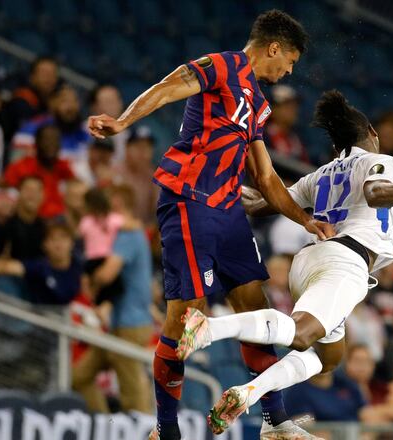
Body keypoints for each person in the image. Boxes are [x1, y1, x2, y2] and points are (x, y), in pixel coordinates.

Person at [87, 11, 330, 439]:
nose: (289, 70)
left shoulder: (258, 101)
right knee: (187, 321)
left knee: (257, 311)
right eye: (289, 60)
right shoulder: (222, 65)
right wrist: (123, 122)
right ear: (274, 47)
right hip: (189, 201)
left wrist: (306, 220)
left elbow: (268, 178)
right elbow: (167, 87)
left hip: (229, 210)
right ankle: (165, 429)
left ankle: (276, 421)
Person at [173, 89, 393, 434]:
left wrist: (219, 185)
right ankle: (208, 329)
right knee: (300, 334)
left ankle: (249, 394)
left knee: (329, 359)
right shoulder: (380, 161)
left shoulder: (320, 174)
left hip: (310, 261)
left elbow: (261, 203)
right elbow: (374, 193)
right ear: (372, 134)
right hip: (346, 261)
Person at [72, 184, 154, 414]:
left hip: (131, 324)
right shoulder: (121, 233)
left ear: (119, 203)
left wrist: (90, 280)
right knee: (79, 377)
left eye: (111, 201)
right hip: (119, 324)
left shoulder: (127, 236)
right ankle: (106, 427)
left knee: (131, 392)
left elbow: (107, 274)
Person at [0, 222, 82, 305]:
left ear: (71, 243)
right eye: (53, 239)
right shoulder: (39, 267)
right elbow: (11, 267)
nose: (58, 244)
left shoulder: (78, 267)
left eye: (63, 238)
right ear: (45, 245)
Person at [11, 84, 90, 170]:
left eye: (75, 101)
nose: (71, 107)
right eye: (65, 101)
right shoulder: (30, 130)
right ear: (51, 103)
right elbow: (17, 167)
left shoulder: (86, 133)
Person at [3, 123, 74, 218]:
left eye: (55, 140)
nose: (51, 144)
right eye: (46, 140)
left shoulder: (64, 167)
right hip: (31, 221)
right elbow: (4, 190)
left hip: (60, 223)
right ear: (36, 142)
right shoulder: (21, 167)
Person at [343, 344, 393, 423]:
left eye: (366, 361)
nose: (362, 366)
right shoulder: (340, 391)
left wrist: (374, 412)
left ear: (373, 365)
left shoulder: (382, 388)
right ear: (347, 364)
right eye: (357, 361)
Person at [79, 187, 124, 304]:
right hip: (106, 260)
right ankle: (100, 307)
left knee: (96, 291)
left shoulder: (86, 221)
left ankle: (92, 303)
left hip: (91, 261)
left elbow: (80, 236)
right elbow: (129, 225)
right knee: (112, 291)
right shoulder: (114, 219)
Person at [0, 56, 59, 142]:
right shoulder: (21, 101)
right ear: (32, 77)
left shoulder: (51, 104)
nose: (49, 78)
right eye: (44, 73)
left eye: (52, 74)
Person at [112, 125, 159, 226]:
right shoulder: (114, 172)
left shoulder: (154, 177)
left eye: (147, 147)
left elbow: (157, 212)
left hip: (144, 232)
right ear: (127, 148)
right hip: (117, 230)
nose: (143, 152)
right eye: (138, 147)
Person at [0, 176, 46, 261]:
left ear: (43, 196)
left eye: (37, 191)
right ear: (19, 193)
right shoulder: (5, 225)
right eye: (28, 190)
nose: (32, 195)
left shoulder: (45, 228)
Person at [264, 84, 308, 163]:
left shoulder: (296, 140)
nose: (293, 111)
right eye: (287, 107)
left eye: (294, 107)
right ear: (274, 109)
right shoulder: (262, 135)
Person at [88, 84, 127, 163]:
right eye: (107, 101)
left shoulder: (128, 137)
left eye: (115, 100)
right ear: (95, 106)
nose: (113, 105)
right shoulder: (85, 130)